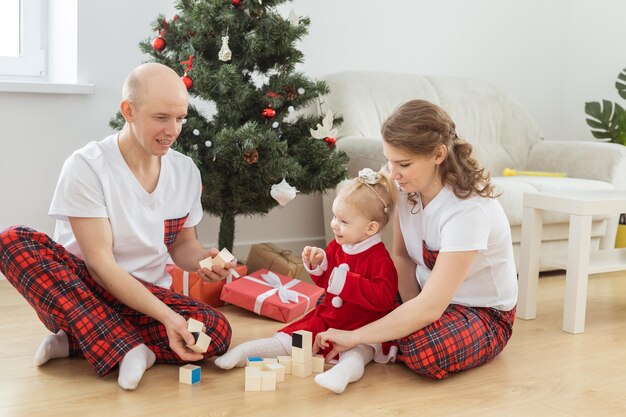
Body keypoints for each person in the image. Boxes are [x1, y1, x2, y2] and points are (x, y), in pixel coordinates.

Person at [0, 63, 234, 390]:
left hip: (145, 298)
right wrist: (168, 318)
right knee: (11, 240)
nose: (173, 130)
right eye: (161, 118)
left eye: (180, 118)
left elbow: (183, 245)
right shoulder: (87, 166)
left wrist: (203, 261)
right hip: (82, 291)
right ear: (129, 111)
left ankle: (80, 342)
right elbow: (100, 265)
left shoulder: (185, 172)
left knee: (215, 332)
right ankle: (129, 348)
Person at [315, 99, 518, 380]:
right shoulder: (407, 189)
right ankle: (379, 339)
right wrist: (408, 307)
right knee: (342, 298)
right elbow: (402, 257)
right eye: (389, 160)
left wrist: (355, 335)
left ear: (438, 154)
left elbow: (431, 307)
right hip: (426, 295)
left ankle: (370, 341)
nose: (392, 173)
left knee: (420, 349)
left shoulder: (468, 210)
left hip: (480, 312)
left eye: (404, 164)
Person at [215, 168, 399, 394]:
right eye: (334, 217)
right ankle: (247, 351)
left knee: (360, 352)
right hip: (329, 317)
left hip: (361, 324)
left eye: (343, 221)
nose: (334, 225)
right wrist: (318, 264)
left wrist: (346, 282)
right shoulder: (337, 245)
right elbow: (326, 283)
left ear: (371, 228)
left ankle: (342, 373)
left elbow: (384, 299)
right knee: (294, 337)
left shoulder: (380, 259)